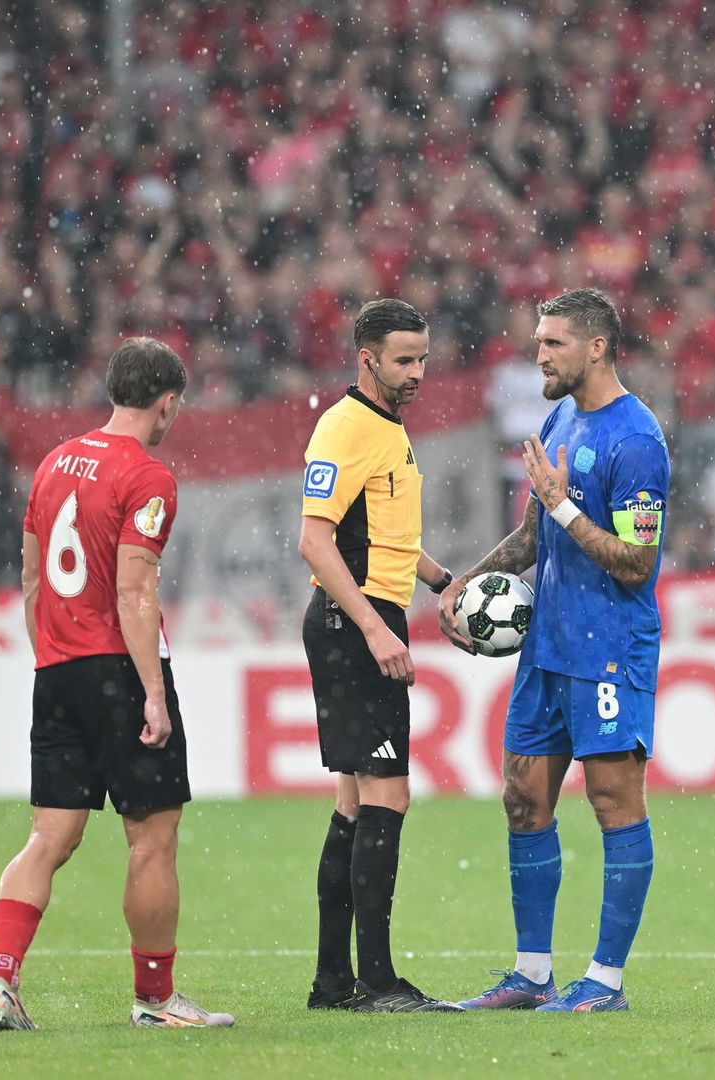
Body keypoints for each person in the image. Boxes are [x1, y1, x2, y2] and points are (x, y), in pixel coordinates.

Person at [0, 337, 234, 1031]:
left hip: (56, 668)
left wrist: (54, 661)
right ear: (168, 401)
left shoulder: (54, 464)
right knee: (151, 840)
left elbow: (32, 580)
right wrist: (151, 692)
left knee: (48, 838)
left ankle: (1, 979)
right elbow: (134, 590)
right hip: (119, 669)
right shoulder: (148, 476)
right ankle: (155, 1000)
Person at [438, 287, 670, 1013]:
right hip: (547, 649)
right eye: (538, 341)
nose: (538, 354)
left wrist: (566, 505)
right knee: (523, 796)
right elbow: (539, 534)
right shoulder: (560, 418)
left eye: (552, 344)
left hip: (609, 650)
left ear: (596, 347)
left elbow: (636, 562)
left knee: (612, 799)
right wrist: (469, 586)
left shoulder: (637, 441)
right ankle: (531, 972)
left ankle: (604, 982)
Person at [298, 299, 461, 1013]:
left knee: (354, 802)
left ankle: (334, 980)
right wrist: (372, 627)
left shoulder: (388, 429)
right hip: (351, 622)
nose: (417, 372)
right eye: (403, 359)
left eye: (423, 358)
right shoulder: (344, 427)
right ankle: (378, 979)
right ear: (366, 358)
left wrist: (443, 582)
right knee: (387, 796)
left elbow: (385, 536)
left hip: (368, 613)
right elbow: (314, 540)